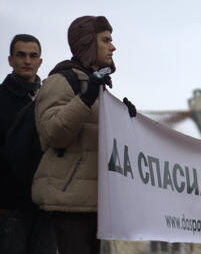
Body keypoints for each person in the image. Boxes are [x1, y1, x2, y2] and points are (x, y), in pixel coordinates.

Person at [31, 16, 130, 254]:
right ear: (87, 43)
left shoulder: (98, 85)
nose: (113, 46)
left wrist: (127, 120)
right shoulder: (60, 81)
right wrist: (86, 98)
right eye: (105, 40)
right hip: (68, 202)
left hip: (95, 203)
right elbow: (53, 134)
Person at [0, 34, 56, 253]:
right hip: (10, 207)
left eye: (33, 56)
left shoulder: (49, 98)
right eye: (21, 55)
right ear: (10, 60)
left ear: (40, 61)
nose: (27, 61)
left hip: (45, 206)